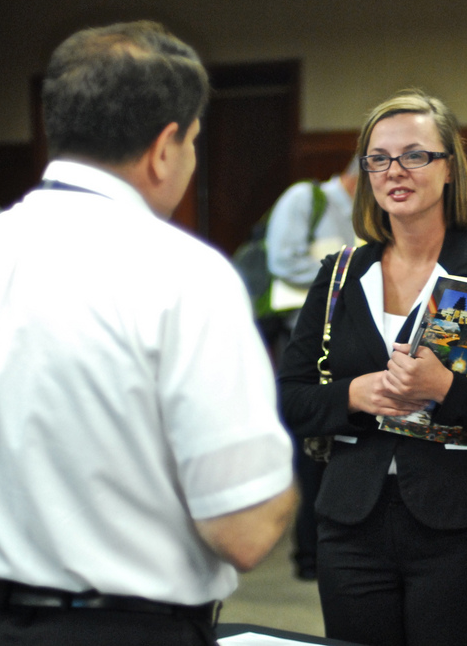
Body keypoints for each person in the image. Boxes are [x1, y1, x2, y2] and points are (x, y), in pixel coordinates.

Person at [0, 21, 298, 646]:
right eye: (193, 141)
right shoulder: (183, 275)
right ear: (165, 147)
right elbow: (243, 532)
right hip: (126, 630)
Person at [277, 88, 467, 646]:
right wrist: (355, 394)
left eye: (415, 155)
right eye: (378, 158)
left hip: (465, 528)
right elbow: (290, 399)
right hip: (351, 527)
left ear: (449, 166)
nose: (394, 171)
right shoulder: (337, 275)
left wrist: (446, 389)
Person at [264, 158, 359, 582]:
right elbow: (282, 261)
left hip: (342, 342)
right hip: (301, 340)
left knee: (332, 448)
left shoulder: (367, 215)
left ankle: (323, 549)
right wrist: (344, 276)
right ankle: (308, 556)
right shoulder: (307, 198)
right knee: (309, 447)